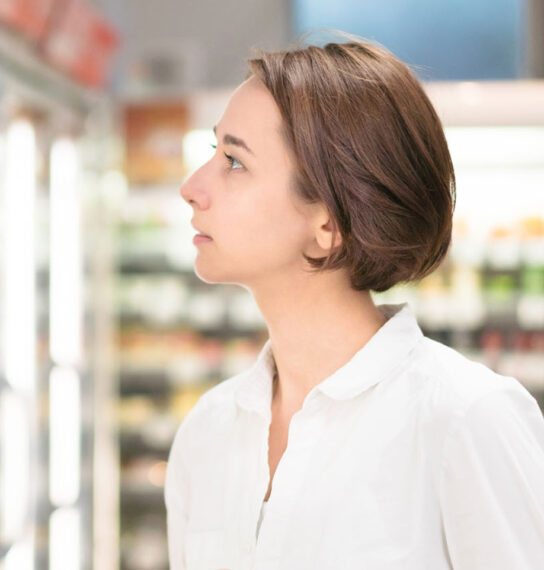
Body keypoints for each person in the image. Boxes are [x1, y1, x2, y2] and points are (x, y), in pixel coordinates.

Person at [167, 36, 544, 569]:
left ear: (328, 223)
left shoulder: (463, 419)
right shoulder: (207, 431)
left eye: (233, 161)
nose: (191, 187)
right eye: (212, 152)